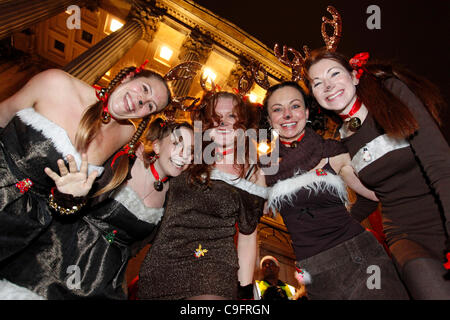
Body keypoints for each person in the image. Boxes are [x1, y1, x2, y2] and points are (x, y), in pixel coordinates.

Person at [0, 64, 172, 298]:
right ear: (128, 76)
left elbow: (75, 205)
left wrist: (70, 197)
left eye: (150, 105)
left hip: (26, 225)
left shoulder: (125, 135)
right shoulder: (56, 83)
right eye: (144, 88)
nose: (141, 101)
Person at [304, 48, 450, 299]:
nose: (327, 86)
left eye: (334, 74)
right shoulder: (339, 144)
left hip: (443, 209)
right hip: (405, 234)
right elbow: (371, 197)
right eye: (317, 83)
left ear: (354, 75)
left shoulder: (392, 94)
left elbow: (440, 165)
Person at [262, 81, 409, 300]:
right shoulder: (264, 170)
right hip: (315, 273)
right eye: (277, 109)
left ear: (307, 111)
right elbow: (251, 215)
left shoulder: (333, 152)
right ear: (269, 119)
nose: (287, 114)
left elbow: (372, 194)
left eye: (295, 106)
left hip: (360, 258)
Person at [137, 91, 267, 300]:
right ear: (205, 123)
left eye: (231, 116)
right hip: (163, 261)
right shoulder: (187, 153)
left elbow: (247, 234)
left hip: (214, 265)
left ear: (242, 122)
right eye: (215, 117)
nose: (223, 122)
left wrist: (243, 289)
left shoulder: (252, 171)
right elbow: (150, 190)